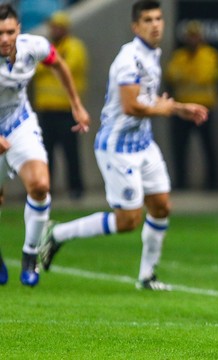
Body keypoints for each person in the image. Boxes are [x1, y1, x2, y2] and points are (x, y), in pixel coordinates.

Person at [39, 0, 208, 291]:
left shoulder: (152, 54)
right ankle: (58, 233)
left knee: (161, 206)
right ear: (135, 26)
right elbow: (131, 106)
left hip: (144, 144)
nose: (155, 24)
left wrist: (178, 108)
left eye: (158, 18)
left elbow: (149, 99)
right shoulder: (129, 58)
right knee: (127, 221)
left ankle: (146, 277)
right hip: (117, 147)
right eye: (148, 20)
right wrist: (166, 111)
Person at [0, 4, 90, 287]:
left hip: (20, 124)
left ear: (19, 31)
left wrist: (76, 105)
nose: (4, 38)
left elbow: (58, 64)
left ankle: (30, 254)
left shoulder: (34, 47)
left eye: (9, 32)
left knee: (40, 186)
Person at [32, 11, 88, 200]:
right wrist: (52, 65)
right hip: (46, 109)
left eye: (57, 26)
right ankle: (45, 187)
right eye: (52, 26)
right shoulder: (47, 47)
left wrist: (50, 65)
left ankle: (76, 188)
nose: (54, 30)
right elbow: (36, 67)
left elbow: (67, 67)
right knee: (45, 152)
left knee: (70, 151)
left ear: (65, 28)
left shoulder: (74, 46)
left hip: (66, 109)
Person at [165, 20, 218, 190]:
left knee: (208, 145)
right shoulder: (179, 55)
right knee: (180, 147)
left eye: (195, 36)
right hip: (182, 108)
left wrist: (185, 74)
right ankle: (181, 181)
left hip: (204, 107)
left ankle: (212, 182)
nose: (192, 40)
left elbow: (204, 75)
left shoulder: (209, 54)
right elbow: (171, 75)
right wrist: (186, 74)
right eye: (190, 36)